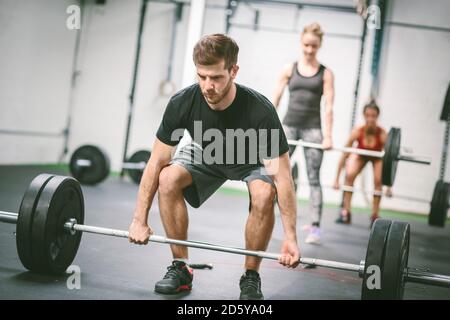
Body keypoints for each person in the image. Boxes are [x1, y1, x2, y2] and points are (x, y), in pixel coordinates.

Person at [127, 34, 300, 300]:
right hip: (206, 153)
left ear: (233, 71)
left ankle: (251, 276)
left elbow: (284, 177)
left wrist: (290, 237)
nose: (207, 86)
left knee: (265, 194)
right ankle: (180, 267)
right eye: (202, 76)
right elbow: (156, 161)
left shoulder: (260, 110)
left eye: (216, 78)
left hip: (249, 158)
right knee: (168, 177)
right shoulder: (183, 102)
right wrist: (140, 220)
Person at [272, 22, 335, 245]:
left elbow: (328, 106)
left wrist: (328, 136)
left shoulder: (326, 73)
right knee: (273, 172)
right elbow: (276, 99)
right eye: (307, 45)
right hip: (288, 126)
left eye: (314, 46)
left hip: (313, 129)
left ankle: (315, 227)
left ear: (320, 45)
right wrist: (269, 126)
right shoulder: (289, 68)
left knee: (313, 178)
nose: (310, 50)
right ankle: (265, 216)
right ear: (301, 42)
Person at [333, 100, 390, 227]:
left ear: (377, 116)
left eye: (373, 116)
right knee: (350, 175)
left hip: (377, 157)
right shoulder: (358, 132)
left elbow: (390, 161)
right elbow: (344, 154)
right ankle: (346, 212)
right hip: (362, 155)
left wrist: (389, 187)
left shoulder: (382, 134)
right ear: (364, 115)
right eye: (368, 115)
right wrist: (336, 179)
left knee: (378, 181)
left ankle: (375, 215)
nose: (370, 119)